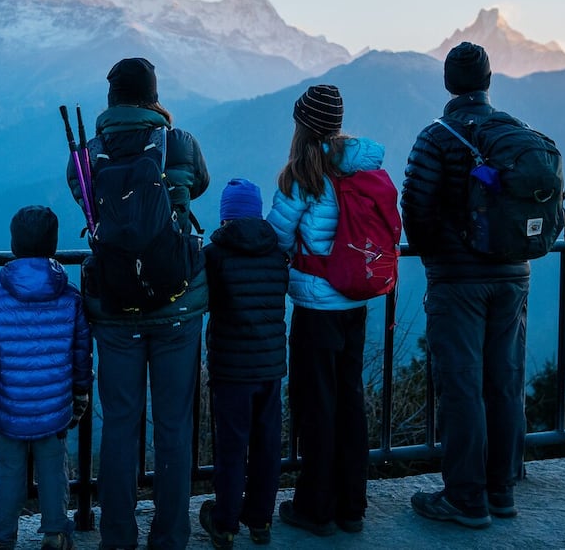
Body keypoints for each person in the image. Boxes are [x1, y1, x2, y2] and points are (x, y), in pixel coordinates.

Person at [66, 57, 210, 550]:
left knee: (121, 424)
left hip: (113, 307)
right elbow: (199, 185)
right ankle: (170, 537)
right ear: (153, 95)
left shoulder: (84, 154)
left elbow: (86, 203)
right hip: (178, 304)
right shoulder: (180, 142)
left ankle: (117, 536)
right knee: (173, 425)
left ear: (110, 100)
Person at [401, 42, 529, 529]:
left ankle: (465, 497)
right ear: (489, 81)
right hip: (514, 275)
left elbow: (415, 205)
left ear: (448, 84)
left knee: (462, 386)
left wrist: (436, 255)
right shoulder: (512, 131)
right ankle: (502, 492)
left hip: (459, 281)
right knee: (503, 382)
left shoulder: (438, 136)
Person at [265, 84, 386, 537]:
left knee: (317, 406)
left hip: (317, 306)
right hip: (355, 300)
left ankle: (315, 509)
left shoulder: (302, 177)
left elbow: (278, 237)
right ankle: (352, 507)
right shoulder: (359, 170)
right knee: (350, 401)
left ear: (302, 126)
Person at [0, 205, 93, 550]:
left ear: (13, 244)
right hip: (55, 408)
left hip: (9, 407)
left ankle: (0, 537)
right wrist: (81, 392)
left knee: (9, 474)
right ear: (54, 245)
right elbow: (81, 353)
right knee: (54, 472)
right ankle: (56, 532)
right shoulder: (71, 299)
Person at [199, 179, 290, 549]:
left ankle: (224, 524)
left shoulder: (215, 254)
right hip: (270, 366)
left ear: (225, 217)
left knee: (232, 447)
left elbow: (205, 300)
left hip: (231, 368)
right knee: (267, 444)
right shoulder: (276, 251)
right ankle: (261, 521)